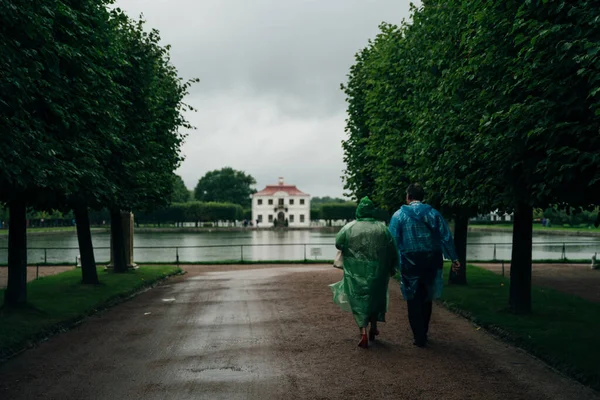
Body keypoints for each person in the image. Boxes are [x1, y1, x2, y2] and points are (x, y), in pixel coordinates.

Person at [388, 183, 460, 348]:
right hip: (431, 260)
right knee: (427, 297)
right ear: (422, 197)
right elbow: (446, 236)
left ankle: (418, 336)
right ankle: (424, 332)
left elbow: (392, 241)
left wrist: (392, 264)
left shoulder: (398, 215)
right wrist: (454, 258)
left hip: (409, 262)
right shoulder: (434, 214)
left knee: (413, 298)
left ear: (408, 197)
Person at [331, 196, 398, 348]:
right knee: (375, 297)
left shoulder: (349, 227)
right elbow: (392, 249)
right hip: (377, 269)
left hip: (356, 270)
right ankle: (374, 327)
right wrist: (393, 267)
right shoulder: (382, 228)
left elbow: (338, 243)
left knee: (359, 299)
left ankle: (363, 331)